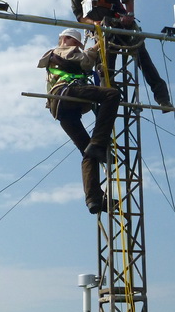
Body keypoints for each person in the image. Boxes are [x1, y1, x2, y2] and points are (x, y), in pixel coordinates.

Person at [57, 0, 172, 109]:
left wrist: (130, 15)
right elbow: (79, 16)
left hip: (120, 25)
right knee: (104, 68)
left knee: (144, 61)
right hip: (101, 32)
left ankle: (162, 98)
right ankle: (110, 98)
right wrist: (93, 23)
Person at [38, 28, 120, 214]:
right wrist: (98, 46)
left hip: (64, 110)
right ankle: (99, 142)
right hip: (67, 94)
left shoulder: (63, 53)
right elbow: (85, 61)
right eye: (76, 43)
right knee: (112, 95)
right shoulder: (60, 51)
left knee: (88, 152)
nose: (78, 46)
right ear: (66, 39)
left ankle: (94, 199)